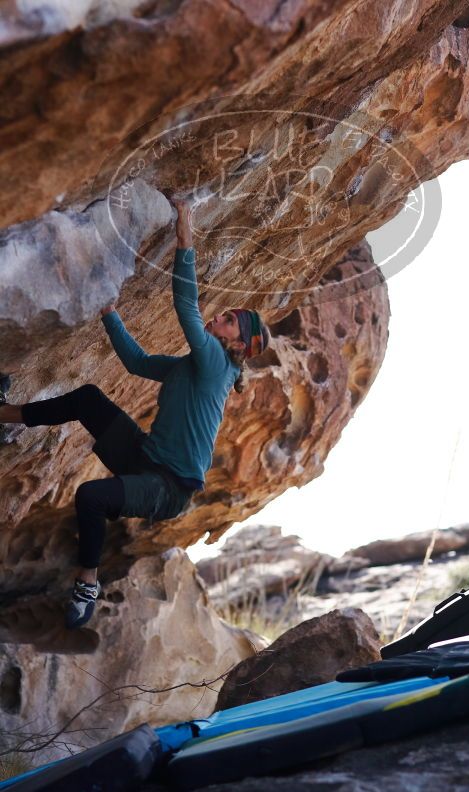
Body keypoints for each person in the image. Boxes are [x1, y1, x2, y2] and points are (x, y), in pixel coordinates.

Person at [0, 198, 270, 628]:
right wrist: (109, 312)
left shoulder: (218, 365)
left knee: (91, 496)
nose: (222, 316)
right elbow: (137, 363)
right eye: (228, 314)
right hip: (144, 455)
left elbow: (186, 306)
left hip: (169, 487)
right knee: (88, 399)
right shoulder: (191, 367)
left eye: (231, 321)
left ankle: (87, 583)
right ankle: (6, 416)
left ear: (237, 344)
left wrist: (184, 227)